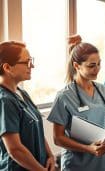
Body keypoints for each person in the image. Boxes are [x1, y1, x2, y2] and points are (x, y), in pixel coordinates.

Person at [47, 35, 105, 171]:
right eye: (92, 65)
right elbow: (58, 138)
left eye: (99, 64)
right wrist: (88, 148)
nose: (97, 69)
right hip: (79, 164)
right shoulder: (64, 97)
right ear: (76, 66)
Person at [0, 41, 55, 171]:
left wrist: (51, 156)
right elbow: (15, 149)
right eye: (27, 62)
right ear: (7, 68)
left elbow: (38, 128)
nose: (32, 66)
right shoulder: (5, 101)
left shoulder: (22, 93)